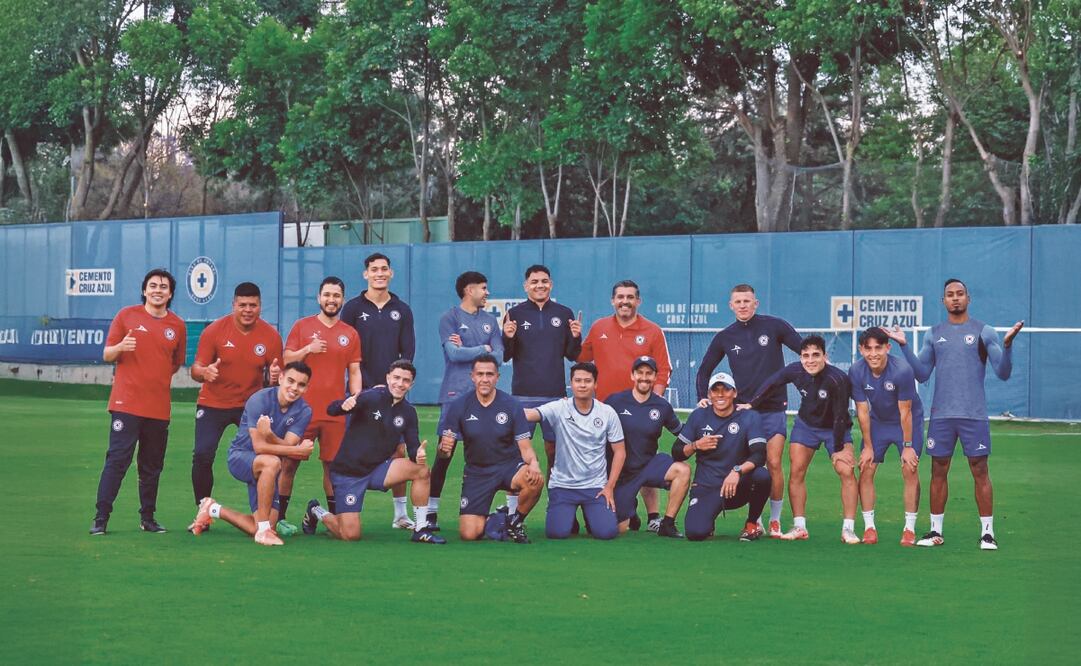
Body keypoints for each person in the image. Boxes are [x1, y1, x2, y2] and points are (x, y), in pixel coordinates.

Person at [884, 278, 1023, 550]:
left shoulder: (985, 332)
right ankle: (935, 531)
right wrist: (903, 345)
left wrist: (1007, 346)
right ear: (943, 301)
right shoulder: (934, 334)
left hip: (973, 415)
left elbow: (1003, 372)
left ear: (968, 298)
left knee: (980, 470)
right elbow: (922, 373)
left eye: (960, 294)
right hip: (942, 416)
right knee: (938, 470)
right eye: (950, 295)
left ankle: (987, 533)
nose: (955, 298)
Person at [695, 283, 801, 538]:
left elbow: (805, 351)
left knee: (773, 462)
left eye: (747, 301)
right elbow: (704, 370)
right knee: (748, 466)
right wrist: (702, 397)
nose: (743, 305)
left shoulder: (775, 326)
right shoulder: (725, 336)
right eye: (738, 302)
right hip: (742, 412)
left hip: (774, 407)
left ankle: (774, 521)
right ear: (731, 306)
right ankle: (755, 519)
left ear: (756, 303)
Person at [300, 360, 445, 544]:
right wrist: (343, 405)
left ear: (412, 384)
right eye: (396, 378)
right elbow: (332, 409)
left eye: (406, 380)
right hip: (349, 473)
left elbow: (413, 446)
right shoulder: (371, 397)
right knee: (350, 535)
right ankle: (316, 511)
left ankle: (420, 529)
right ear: (388, 378)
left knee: (421, 471)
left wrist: (418, 454)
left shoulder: (408, 412)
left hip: (378, 469)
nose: (400, 384)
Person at [91, 268, 186, 535]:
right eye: (153, 285)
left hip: (158, 409)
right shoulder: (126, 316)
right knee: (118, 460)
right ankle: (101, 518)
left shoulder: (177, 325)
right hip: (126, 405)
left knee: (152, 465)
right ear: (144, 290)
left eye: (164, 287)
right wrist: (121, 348)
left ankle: (148, 518)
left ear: (170, 294)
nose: (158, 290)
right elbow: (107, 354)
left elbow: (175, 364)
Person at [741, 335, 858, 544]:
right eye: (805, 356)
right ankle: (799, 526)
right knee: (797, 472)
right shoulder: (795, 370)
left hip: (835, 428)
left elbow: (841, 415)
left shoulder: (838, 379)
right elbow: (772, 383)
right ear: (800, 357)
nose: (810, 360)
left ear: (825, 356)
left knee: (846, 470)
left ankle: (848, 529)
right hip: (806, 426)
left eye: (816, 355)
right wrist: (752, 404)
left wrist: (839, 448)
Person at [579, 279, 672, 531]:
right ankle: (618, 508)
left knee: (643, 459)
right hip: (605, 410)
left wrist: (654, 402)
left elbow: (663, 369)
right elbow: (582, 359)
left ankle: (653, 516)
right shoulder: (599, 327)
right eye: (620, 297)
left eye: (630, 297)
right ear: (612, 300)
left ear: (638, 301)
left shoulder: (652, 330)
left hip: (641, 410)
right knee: (606, 460)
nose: (625, 301)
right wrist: (573, 337)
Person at [189, 362, 315, 546]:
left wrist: (270, 435)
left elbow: (287, 444)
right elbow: (259, 447)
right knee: (271, 462)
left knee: (266, 523)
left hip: (268, 471)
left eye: (301, 384)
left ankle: (213, 509)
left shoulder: (304, 411)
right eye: (290, 381)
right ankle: (264, 532)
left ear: (306, 387)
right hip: (241, 457)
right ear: (280, 378)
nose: (294, 388)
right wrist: (297, 450)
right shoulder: (259, 400)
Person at [188, 282, 282, 524]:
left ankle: (265, 514)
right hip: (213, 403)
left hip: (250, 407)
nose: (248, 310)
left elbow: (275, 379)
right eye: (242, 305)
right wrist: (204, 373)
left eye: (253, 305)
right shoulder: (215, 331)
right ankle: (203, 511)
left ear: (260, 306)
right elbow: (196, 369)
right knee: (202, 455)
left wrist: (272, 379)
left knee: (263, 456)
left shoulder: (271, 336)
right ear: (234, 305)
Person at [340, 253, 416, 528]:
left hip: (393, 393)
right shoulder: (352, 308)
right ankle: (342, 507)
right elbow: (346, 350)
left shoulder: (402, 309)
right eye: (374, 270)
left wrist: (395, 384)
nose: (379, 273)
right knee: (350, 449)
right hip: (361, 394)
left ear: (391, 273)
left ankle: (400, 514)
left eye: (384, 269)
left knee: (398, 449)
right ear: (366, 275)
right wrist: (360, 389)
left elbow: (407, 351)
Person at [281, 277, 361, 536]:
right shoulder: (302, 326)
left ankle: (334, 518)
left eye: (336, 295)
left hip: (334, 412)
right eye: (327, 295)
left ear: (342, 300)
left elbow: (355, 370)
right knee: (289, 463)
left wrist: (355, 397)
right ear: (319, 298)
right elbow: (287, 358)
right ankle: (279, 517)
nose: (331, 300)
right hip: (301, 411)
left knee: (332, 466)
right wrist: (308, 348)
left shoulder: (350, 333)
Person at [427, 271, 504, 531]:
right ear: (469, 290)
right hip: (454, 395)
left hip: (485, 397)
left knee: (491, 452)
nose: (487, 292)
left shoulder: (490, 322)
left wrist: (472, 351)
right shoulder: (449, 318)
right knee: (445, 452)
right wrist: (483, 349)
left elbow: (500, 357)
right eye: (484, 288)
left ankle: (500, 510)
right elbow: (454, 354)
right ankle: (431, 511)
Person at [438, 355, 543, 543]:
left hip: (508, 467)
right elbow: (445, 451)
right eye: (480, 374)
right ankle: (499, 518)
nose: (485, 379)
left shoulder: (512, 405)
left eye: (489, 374)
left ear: (497, 377)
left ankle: (515, 521)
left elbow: (525, 447)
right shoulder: (459, 406)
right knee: (469, 534)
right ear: (472, 376)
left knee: (535, 480)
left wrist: (533, 463)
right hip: (477, 472)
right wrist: (443, 449)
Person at [523, 362, 625, 540]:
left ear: (595, 384)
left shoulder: (607, 412)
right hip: (563, 486)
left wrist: (609, 487)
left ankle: (590, 512)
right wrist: (500, 407)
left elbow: (620, 452)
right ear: (571, 383)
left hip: (595, 487)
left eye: (587, 381)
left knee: (607, 532)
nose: (582, 385)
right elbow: (530, 414)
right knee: (557, 533)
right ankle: (567, 513)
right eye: (578, 380)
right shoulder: (560, 407)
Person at [502, 264, 583, 476]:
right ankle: (513, 506)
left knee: (554, 450)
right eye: (535, 282)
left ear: (551, 284)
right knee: (518, 451)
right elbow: (505, 355)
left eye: (544, 281)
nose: (540, 285)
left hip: (555, 396)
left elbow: (572, 355)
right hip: (522, 395)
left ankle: (554, 500)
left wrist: (576, 336)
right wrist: (507, 338)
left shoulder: (564, 313)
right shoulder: (514, 314)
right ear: (526, 286)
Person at [849, 327, 924, 546]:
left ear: (887, 348)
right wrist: (868, 446)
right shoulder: (856, 371)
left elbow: (906, 412)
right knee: (866, 466)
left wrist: (908, 445)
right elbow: (862, 411)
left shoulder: (902, 370)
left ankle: (909, 529)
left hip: (907, 422)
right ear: (861, 350)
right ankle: (869, 527)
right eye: (868, 348)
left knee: (909, 468)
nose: (873, 353)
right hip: (878, 422)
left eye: (878, 348)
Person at [676, 372, 770, 542]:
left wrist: (737, 471)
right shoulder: (698, 416)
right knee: (695, 533)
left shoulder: (749, 417)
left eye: (725, 390)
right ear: (709, 394)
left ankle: (751, 524)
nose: (720, 395)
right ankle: (708, 518)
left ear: (734, 393)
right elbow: (676, 452)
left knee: (762, 476)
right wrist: (696, 445)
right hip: (707, 486)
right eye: (715, 390)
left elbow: (760, 455)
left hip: (737, 486)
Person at [605, 356, 689, 538]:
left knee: (682, 470)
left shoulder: (662, 406)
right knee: (618, 529)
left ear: (655, 377)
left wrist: (706, 422)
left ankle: (667, 524)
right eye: (640, 373)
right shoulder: (615, 401)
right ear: (632, 375)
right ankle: (630, 510)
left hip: (649, 465)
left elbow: (682, 432)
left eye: (649, 373)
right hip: (621, 474)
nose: (644, 377)